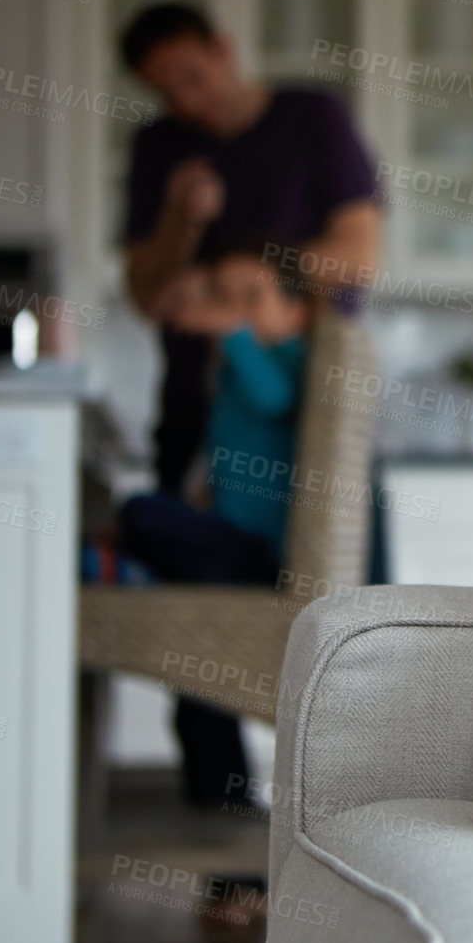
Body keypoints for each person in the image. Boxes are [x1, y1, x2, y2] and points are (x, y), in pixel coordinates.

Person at [116, 0, 381, 811]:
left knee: (349, 611)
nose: (187, 102)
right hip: (198, 407)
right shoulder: (160, 149)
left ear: (226, 49)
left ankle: (355, 808)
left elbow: (356, 256)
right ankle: (227, 845)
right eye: (167, 91)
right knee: (193, 619)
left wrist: (239, 298)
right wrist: (178, 222)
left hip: (318, 408)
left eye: (193, 77)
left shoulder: (312, 120)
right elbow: (146, 292)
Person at [116, 242, 310, 807]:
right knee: (199, 690)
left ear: (295, 314)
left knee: (136, 512)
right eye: (223, 298)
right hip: (228, 544)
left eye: (253, 298)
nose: (235, 311)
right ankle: (231, 861)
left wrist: (232, 330)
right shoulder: (232, 371)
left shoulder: (291, 359)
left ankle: (112, 558)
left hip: (254, 551)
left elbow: (274, 398)